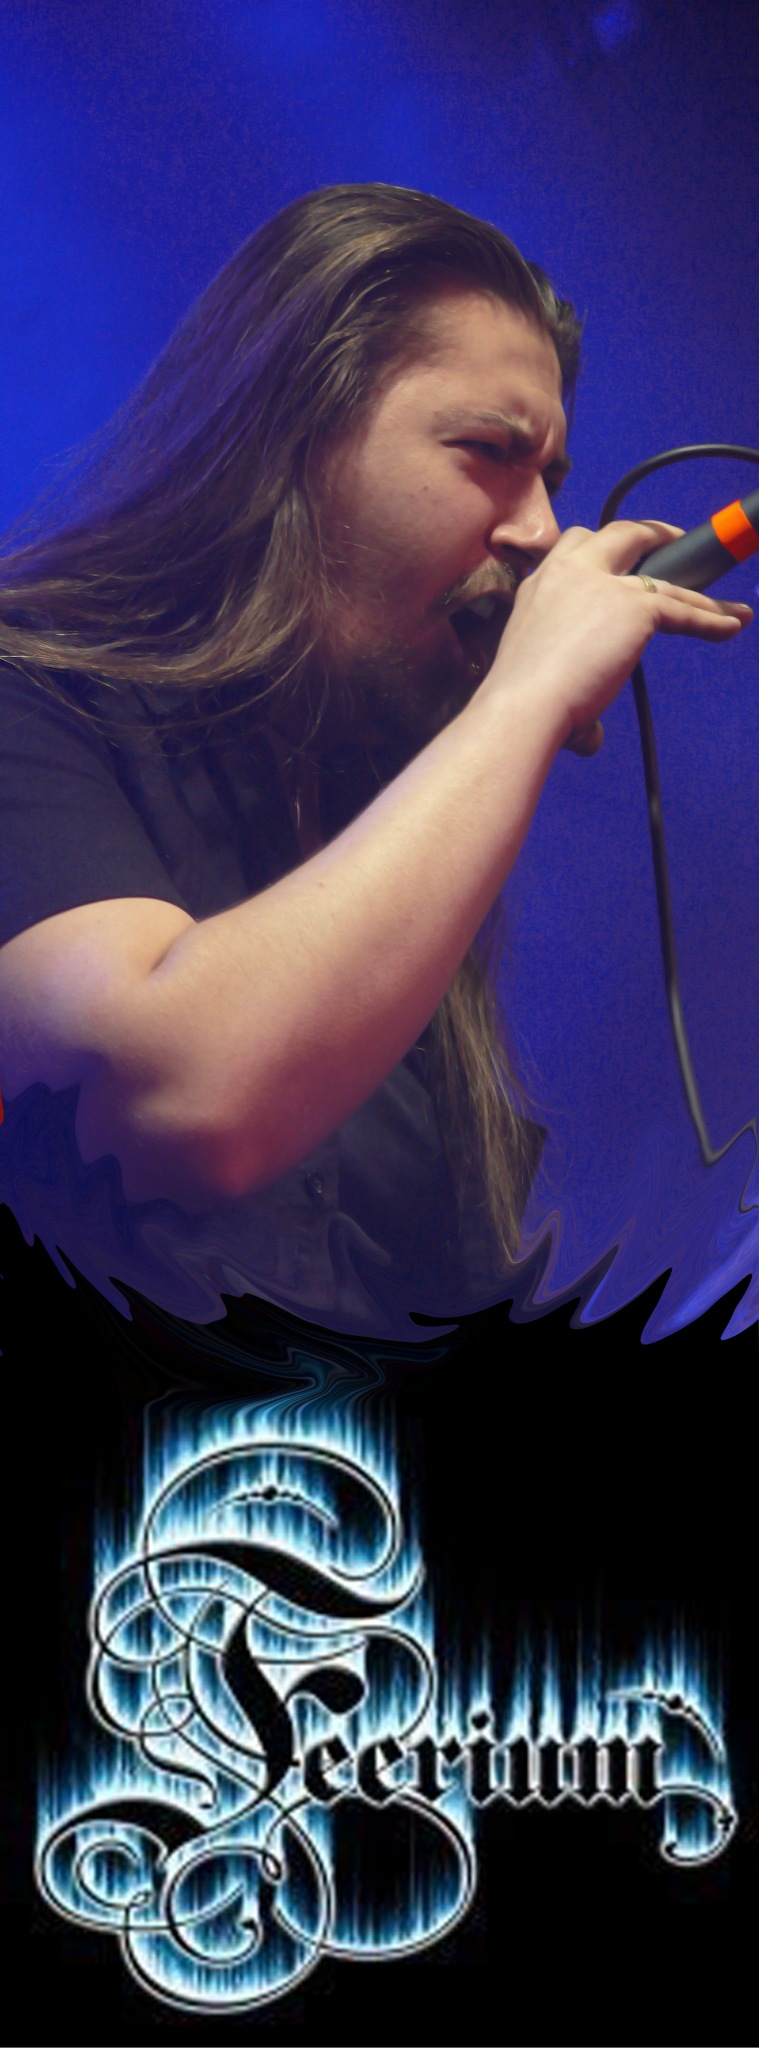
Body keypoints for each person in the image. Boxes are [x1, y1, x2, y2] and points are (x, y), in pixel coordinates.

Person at [0, 184, 750, 1338]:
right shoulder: (32, 701)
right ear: (290, 442)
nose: (541, 529)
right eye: (490, 452)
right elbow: (178, 1103)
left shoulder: (382, 832)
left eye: (550, 476)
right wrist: (525, 695)